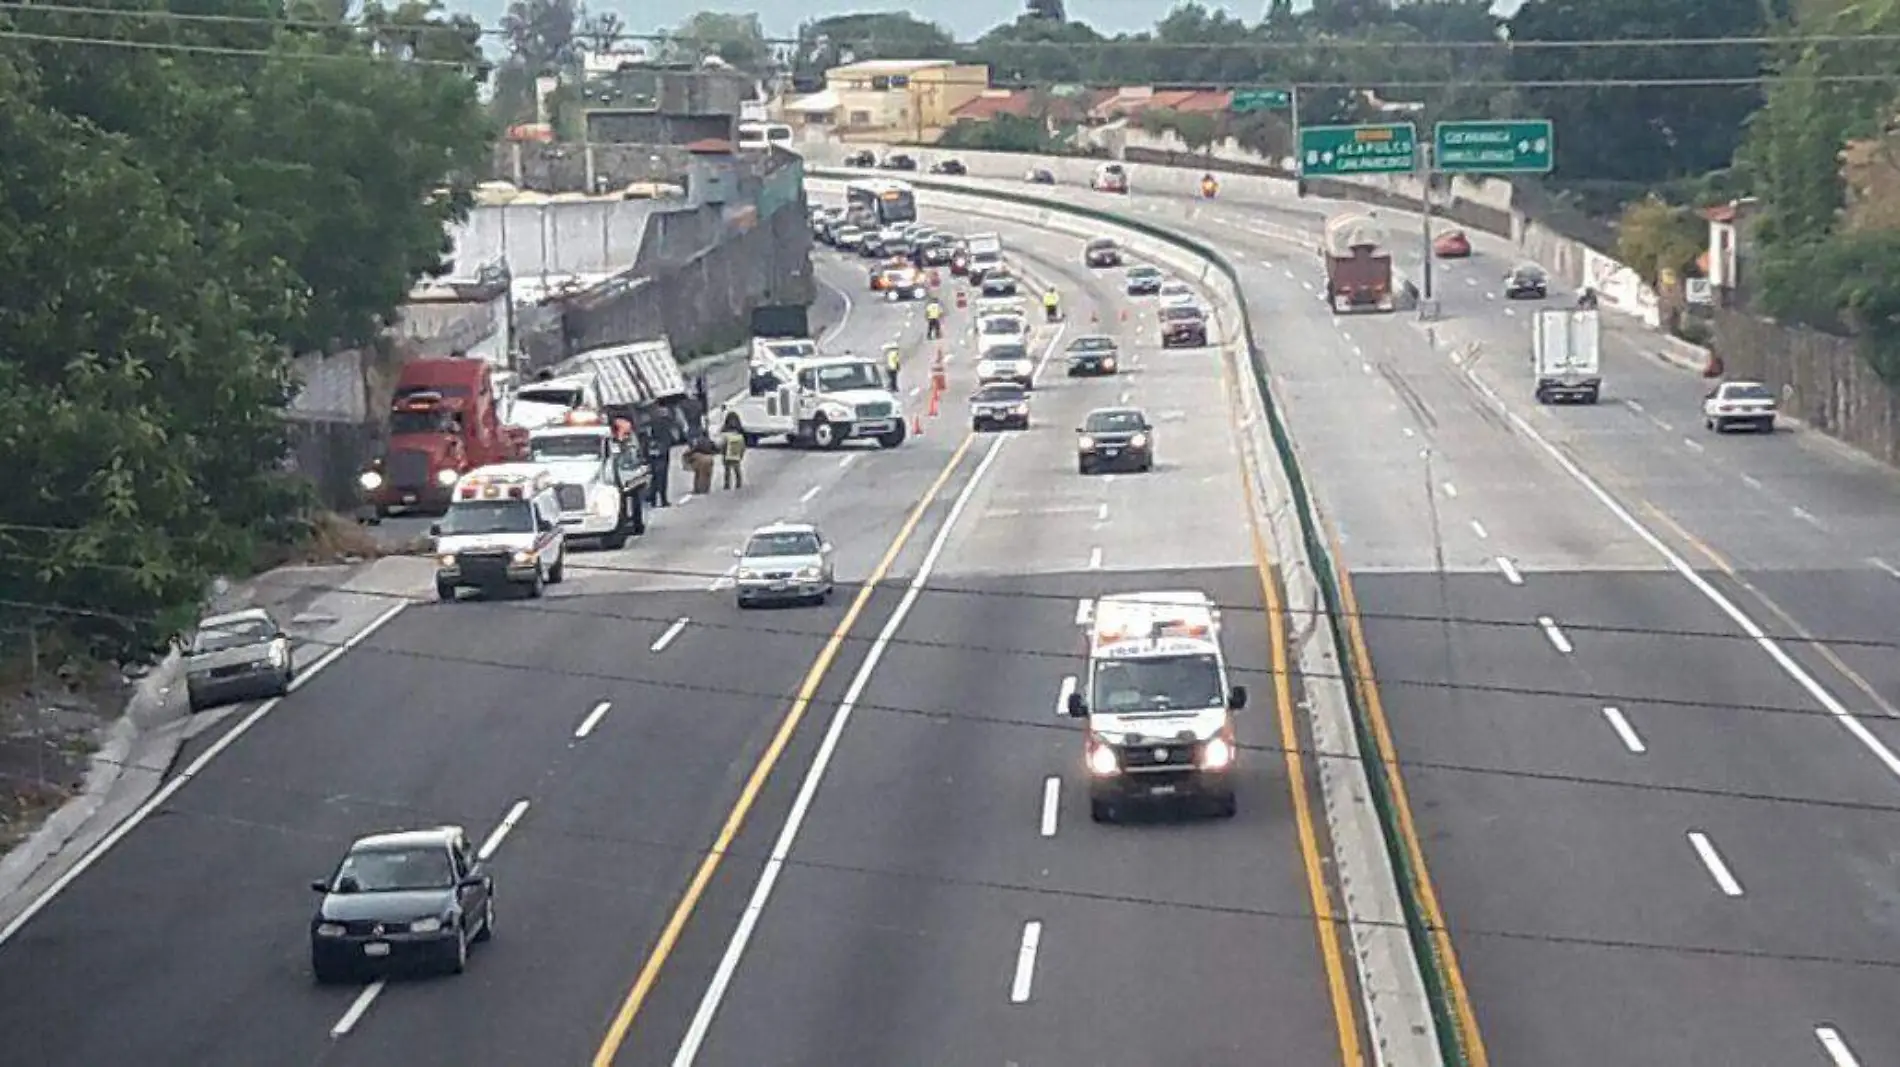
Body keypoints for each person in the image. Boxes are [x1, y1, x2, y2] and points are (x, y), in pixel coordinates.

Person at [645, 422, 672, 507]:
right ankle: (663, 500)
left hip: (653, 455)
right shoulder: (663, 424)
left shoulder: (649, 437)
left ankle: (653, 500)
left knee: (654, 478)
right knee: (662, 479)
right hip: (661, 454)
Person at [720, 413, 747, 490]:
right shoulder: (739, 431)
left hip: (727, 453)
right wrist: (741, 454)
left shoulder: (725, 431)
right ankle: (738, 483)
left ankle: (727, 484)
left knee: (727, 469)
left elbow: (723, 443)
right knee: (736, 468)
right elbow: (743, 445)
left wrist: (722, 452)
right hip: (736, 452)